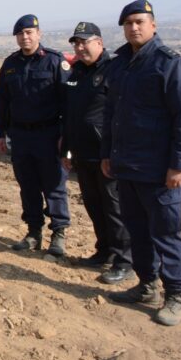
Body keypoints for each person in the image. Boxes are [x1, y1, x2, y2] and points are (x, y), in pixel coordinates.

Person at [103, 0, 181, 327]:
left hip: (159, 170)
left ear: (153, 25)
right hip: (127, 166)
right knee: (138, 231)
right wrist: (107, 154)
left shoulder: (169, 63)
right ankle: (146, 286)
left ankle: (175, 294)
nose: (133, 28)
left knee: (166, 233)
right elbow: (110, 114)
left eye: (139, 22)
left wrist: (179, 164)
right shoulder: (119, 65)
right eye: (128, 23)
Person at [0, 14, 71, 254]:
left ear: (39, 34)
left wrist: (65, 137)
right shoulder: (10, 65)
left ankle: (58, 234)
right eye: (20, 34)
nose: (25, 37)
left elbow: (69, 104)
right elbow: (1, 102)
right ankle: (33, 232)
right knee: (28, 185)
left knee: (54, 185)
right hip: (21, 136)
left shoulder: (55, 62)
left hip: (49, 135)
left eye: (29, 33)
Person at [61, 22, 132, 283]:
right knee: (94, 205)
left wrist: (114, 151)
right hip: (82, 152)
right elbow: (70, 115)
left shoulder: (113, 69)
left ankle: (125, 260)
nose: (80, 48)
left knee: (114, 208)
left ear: (99, 43)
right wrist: (66, 150)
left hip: (106, 154)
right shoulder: (77, 72)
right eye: (76, 43)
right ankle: (104, 251)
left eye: (85, 42)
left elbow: (120, 114)